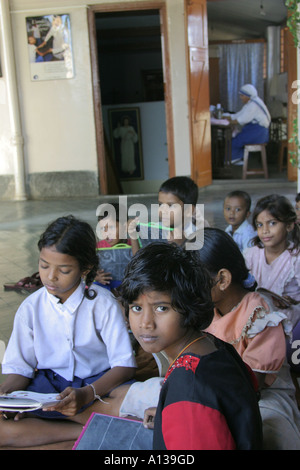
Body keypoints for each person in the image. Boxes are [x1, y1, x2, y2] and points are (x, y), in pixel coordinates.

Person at [0, 215, 136, 448]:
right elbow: (20, 368)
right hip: (48, 389)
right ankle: (86, 431)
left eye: (63, 269)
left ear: (86, 268)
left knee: (129, 400)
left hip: (98, 386)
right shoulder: (30, 308)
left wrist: (87, 393)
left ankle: (64, 431)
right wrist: (6, 395)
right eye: (44, 265)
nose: (50, 276)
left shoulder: (103, 304)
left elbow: (124, 365)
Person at [120, 242, 263, 450]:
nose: (145, 323)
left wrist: (182, 412)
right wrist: (167, 415)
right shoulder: (215, 345)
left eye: (161, 308)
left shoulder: (188, 390)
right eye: (136, 308)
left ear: (188, 306)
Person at [199, 228, 300, 449]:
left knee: (266, 431)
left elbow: (252, 385)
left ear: (222, 279)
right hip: (219, 392)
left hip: (264, 396)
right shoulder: (208, 311)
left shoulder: (259, 312)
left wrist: (203, 401)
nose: (187, 289)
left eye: (194, 279)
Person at [95, 202, 140, 289]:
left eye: (111, 227)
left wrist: (133, 234)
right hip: (106, 288)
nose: (107, 233)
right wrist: (96, 277)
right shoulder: (98, 247)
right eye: (102, 228)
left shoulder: (134, 244)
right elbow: (88, 270)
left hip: (128, 288)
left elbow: (138, 261)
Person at [225, 84, 271, 163]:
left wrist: (227, 121)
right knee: (236, 139)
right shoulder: (252, 102)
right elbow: (238, 115)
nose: (241, 98)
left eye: (242, 96)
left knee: (236, 141)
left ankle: (234, 160)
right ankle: (237, 159)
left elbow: (241, 119)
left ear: (248, 96)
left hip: (259, 133)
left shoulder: (253, 105)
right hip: (257, 132)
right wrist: (227, 117)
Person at [157, 176, 209, 246]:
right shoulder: (157, 228)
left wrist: (179, 244)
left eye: (170, 205)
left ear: (188, 210)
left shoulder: (195, 235)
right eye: (160, 204)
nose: (162, 210)